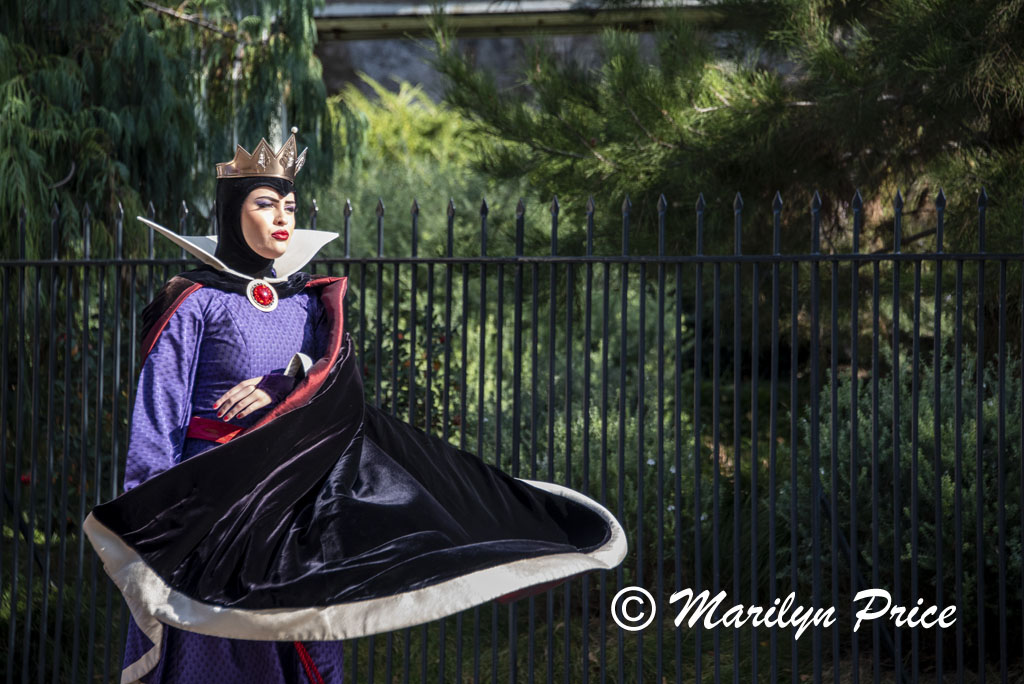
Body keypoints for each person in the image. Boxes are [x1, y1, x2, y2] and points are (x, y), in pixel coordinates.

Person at [84, 133, 626, 683]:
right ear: (232, 212)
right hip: (210, 504)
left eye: (289, 206)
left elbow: (339, 390)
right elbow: (160, 413)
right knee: (210, 643)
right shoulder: (194, 301)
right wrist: (147, 528)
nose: (282, 218)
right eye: (265, 203)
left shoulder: (308, 304)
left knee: (300, 630)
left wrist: (287, 377)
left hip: (293, 500)